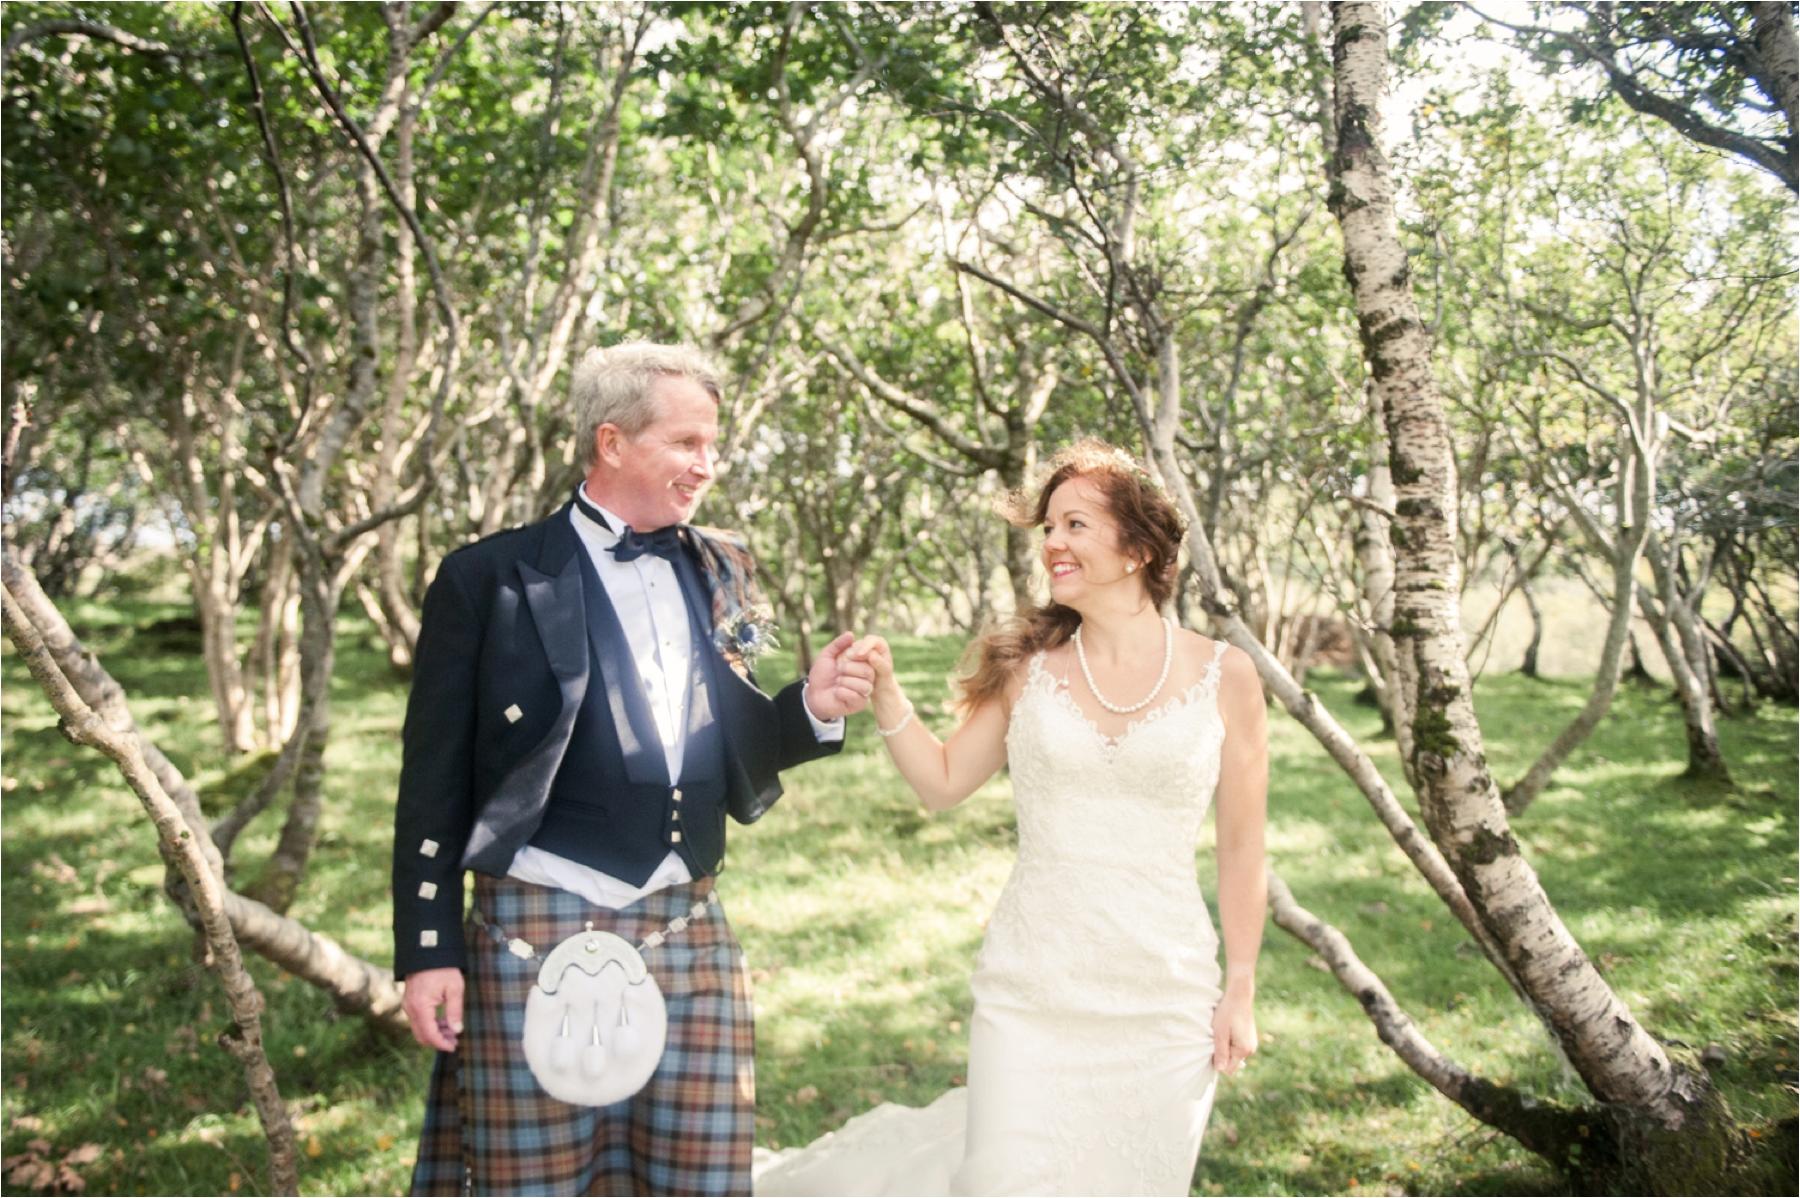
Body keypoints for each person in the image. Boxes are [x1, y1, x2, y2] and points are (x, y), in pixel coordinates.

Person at [393, 341, 874, 1196]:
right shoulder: (487, 579)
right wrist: (427, 948)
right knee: (528, 1183)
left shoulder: (723, 566)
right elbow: (431, 779)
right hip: (532, 922)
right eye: (686, 443)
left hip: (684, 919)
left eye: (712, 444)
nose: (707, 465)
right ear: (611, 443)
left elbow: (732, 739)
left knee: (702, 1180)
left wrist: (813, 708)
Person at [757, 439, 1268, 1197]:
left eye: (1075, 525)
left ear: (1137, 548)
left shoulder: (1227, 675)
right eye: (1049, 528)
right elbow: (942, 782)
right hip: (1031, 991)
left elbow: (1242, 848)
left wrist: (1241, 987)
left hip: (1165, 999)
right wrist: (890, 694)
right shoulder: (1028, 670)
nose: (1052, 544)